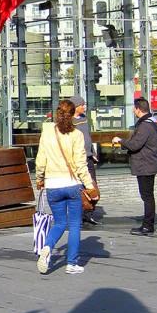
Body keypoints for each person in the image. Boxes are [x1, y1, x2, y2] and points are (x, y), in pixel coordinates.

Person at [34, 99, 96, 274]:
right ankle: (72, 263)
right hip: (72, 184)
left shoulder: (47, 133)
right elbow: (81, 165)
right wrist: (90, 186)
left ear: (57, 113)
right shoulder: (77, 135)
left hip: (52, 185)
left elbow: (40, 160)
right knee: (75, 225)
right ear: (73, 114)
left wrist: (39, 179)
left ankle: (47, 247)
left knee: (59, 222)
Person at [112, 96, 157, 235]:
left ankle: (147, 226)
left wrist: (120, 140)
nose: (133, 110)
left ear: (138, 109)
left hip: (146, 164)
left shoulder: (145, 125)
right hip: (148, 163)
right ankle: (148, 224)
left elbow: (135, 144)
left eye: (134, 108)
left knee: (147, 196)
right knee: (148, 195)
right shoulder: (150, 122)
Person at [70, 94, 98, 226]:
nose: (84, 107)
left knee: (92, 186)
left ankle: (89, 214)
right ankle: (78, 216)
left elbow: (88, 137)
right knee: (79, 188)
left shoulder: (85, 119)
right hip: (77, 159)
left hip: (88, 157)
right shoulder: (69, 122)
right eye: (82, 105)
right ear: (76, 107)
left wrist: (93, 152)